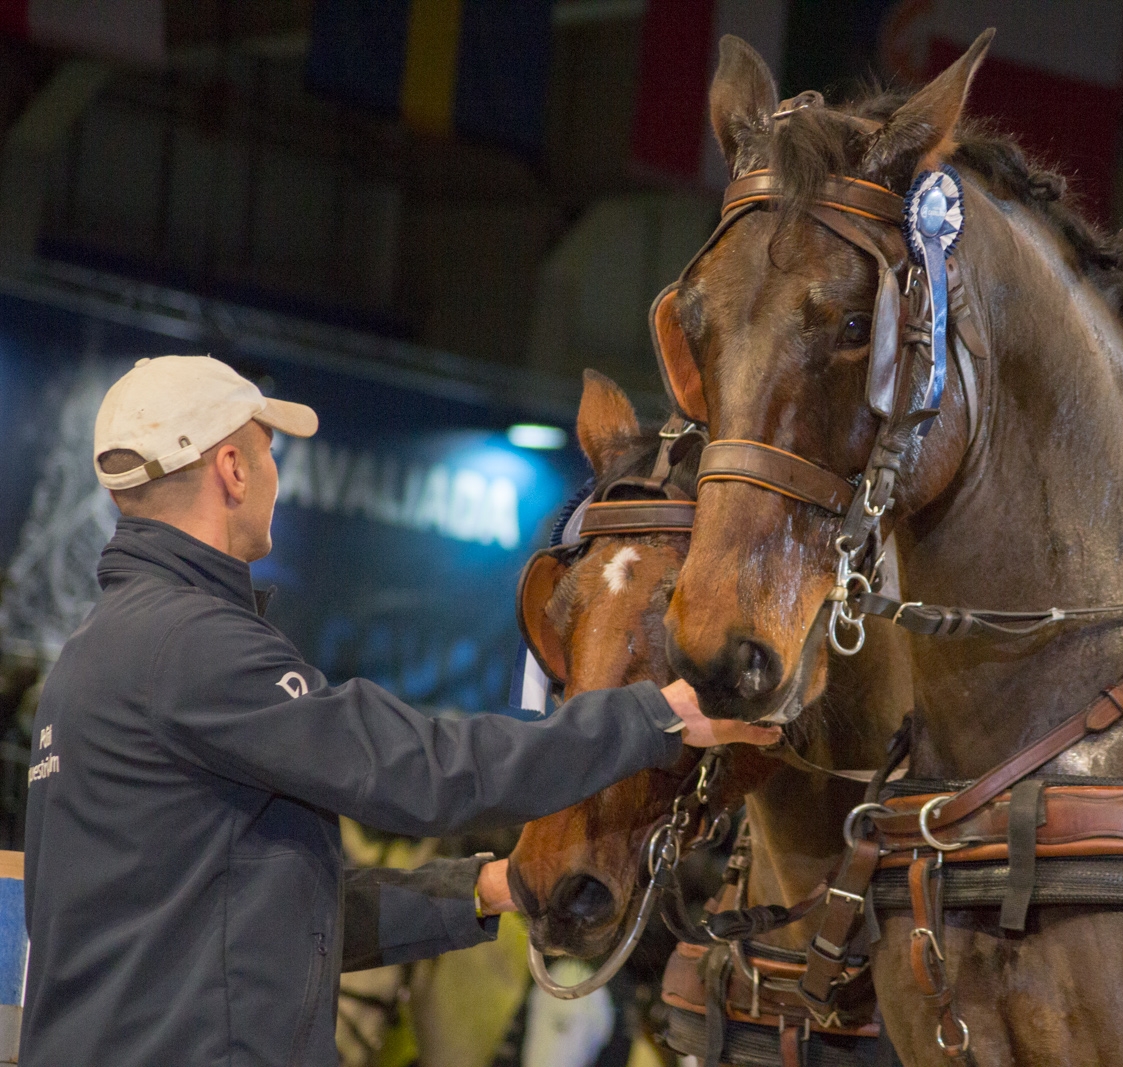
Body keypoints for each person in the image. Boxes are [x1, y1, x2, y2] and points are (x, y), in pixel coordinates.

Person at [20, 356, 779, 1066]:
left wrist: (487, 890)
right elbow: (418, 769)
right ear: (230, 469)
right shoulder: (192, 647)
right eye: (267, 451)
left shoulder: (95, 657)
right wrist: (656, 717)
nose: (273, 473)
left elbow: (270, 918)